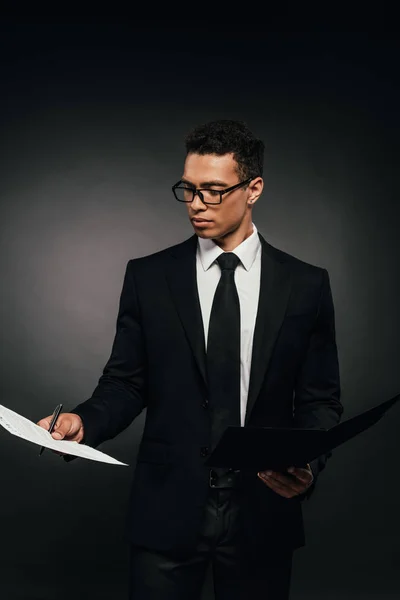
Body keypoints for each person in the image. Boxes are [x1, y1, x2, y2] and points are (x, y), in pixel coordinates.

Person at [37, 119, 343, 599]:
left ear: (254, 188)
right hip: (168, 509)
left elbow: (321, 400)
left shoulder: (306, 285)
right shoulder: (148, 277)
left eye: (214, 191)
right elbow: (126, 383)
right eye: (189, 189)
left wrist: (307, 464)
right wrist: (82, 420)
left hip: (262, 512)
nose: (197, 204)